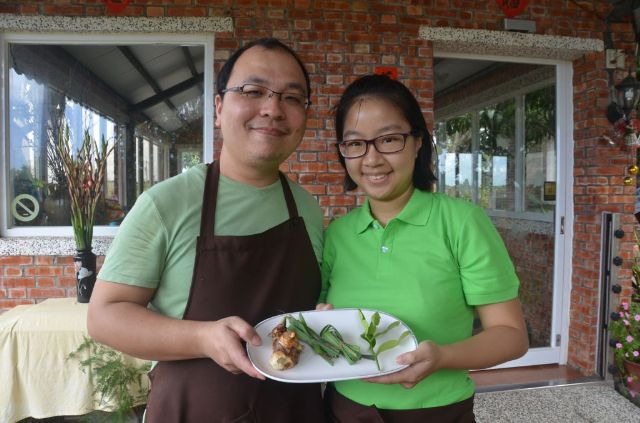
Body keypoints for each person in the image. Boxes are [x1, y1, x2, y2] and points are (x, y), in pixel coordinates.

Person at [87, 38, 326, 422]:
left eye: (292, 98)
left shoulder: (308, 208)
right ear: (218, 108)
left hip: (295, 411)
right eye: (253, 91)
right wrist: (202, 337)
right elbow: (104, 316)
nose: (273, 108)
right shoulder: (167, 203)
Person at [318, 74, 529, 422]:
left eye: (388, 139)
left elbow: (511, 336)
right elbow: (324, 318)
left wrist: (442, 357)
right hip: (344, 410)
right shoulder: (338, 234)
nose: (371, 159)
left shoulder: (461, 222)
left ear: (418, 142)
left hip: (437, 413)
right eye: (355, 143)